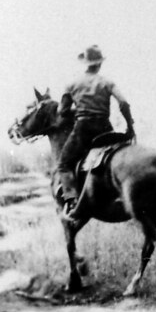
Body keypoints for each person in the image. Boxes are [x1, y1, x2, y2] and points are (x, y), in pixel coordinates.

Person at [56, 45, 134, 219]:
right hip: (105, 129)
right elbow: (124, 104)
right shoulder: (107, 82)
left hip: (82, 130)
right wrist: (130, 126)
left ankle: (71, 200)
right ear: (99, 64)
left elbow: (62, 111)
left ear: (85, 64)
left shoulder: (72, 84)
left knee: (63, 164)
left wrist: (80, 110)